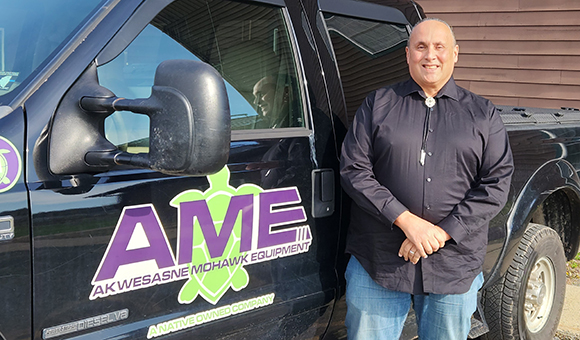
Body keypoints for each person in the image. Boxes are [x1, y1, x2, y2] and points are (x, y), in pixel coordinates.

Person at [339, 18, 514, 340]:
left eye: (439, 47)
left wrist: (442, 232)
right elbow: (354, 170)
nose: (430, 55)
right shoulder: (378, 105)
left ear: (455, 54)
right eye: (421, 47)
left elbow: (496, 182)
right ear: (408, 54)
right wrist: (408, 222)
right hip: (379, 259)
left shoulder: (483, 114)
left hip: (453, 265)